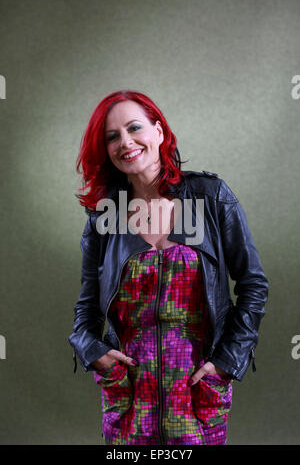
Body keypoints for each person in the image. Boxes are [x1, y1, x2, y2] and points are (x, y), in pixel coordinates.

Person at [68, 89, 269, 445]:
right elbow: (86, 308)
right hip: (129, 395)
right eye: (112, 137)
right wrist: (94, 353)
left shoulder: (211, 197)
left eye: (134, 128)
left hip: (197, 391)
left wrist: (226, 363)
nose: (125, 142)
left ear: (159, 132)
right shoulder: (105, 216)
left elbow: (253, 284)